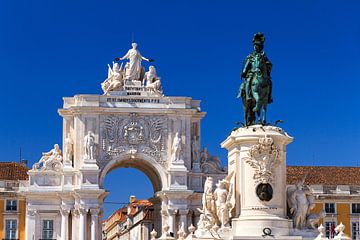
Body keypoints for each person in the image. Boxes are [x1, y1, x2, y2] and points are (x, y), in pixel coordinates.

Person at [240, 33, 273, 104]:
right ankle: (248, 96)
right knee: (248, 81)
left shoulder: (263, 56)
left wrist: (267, 66)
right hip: (252, 72)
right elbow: (246, 66)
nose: (255, 47)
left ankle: (269, 97)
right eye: (254, 45)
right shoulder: (250, 56)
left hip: (261, 73)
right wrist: (243, 72)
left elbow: (269, 64)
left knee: (270, 82)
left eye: (257, 45)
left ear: (260, 47)